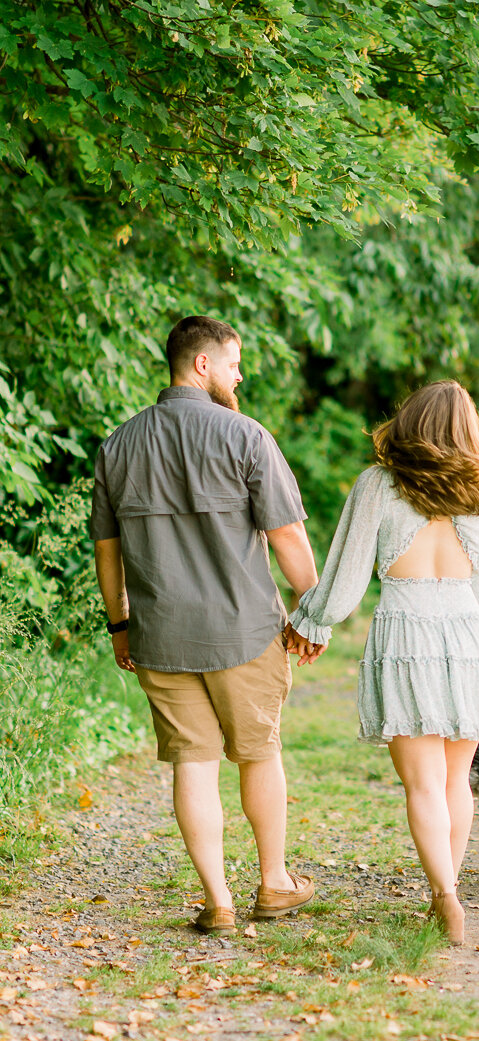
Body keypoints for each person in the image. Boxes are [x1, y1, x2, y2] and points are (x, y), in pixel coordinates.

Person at [90, 315, 319, 934]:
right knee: (258, 753)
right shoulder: (246, 437)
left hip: (160, 637)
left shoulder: (118, 445)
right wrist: (315, 609)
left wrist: (120, 626)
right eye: (234, 363)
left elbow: (106, 551)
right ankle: (273, 883)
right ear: (202, 364)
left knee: (193, 763)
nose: (239, 374)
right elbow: (288, 536)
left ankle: (217, 900)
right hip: (243, 633)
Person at [285, 381, 479, 944]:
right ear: (469, 428)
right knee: (456, 780)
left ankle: (446, 898)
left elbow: (344, 583)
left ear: (410, 421)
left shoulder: (378, 486)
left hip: (405, 638)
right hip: (468, 639)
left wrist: (309, 620)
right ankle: (448, 892)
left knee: (422, 786)